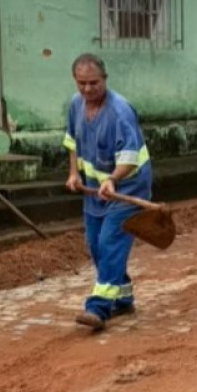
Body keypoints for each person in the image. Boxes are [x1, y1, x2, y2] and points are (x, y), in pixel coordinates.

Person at [64, 54, 151, 332]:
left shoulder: (120, 111)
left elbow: (129, 158)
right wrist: (73, 173)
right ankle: (123, 299)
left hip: (128, 186)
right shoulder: (75, 106)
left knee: (110, 242)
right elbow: (71, 142)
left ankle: (98, 308)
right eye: (82, 84)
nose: (88, 89)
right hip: (94, 190)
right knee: (94, 243)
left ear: (105, 79)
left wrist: (113, 179)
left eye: (93, 83)